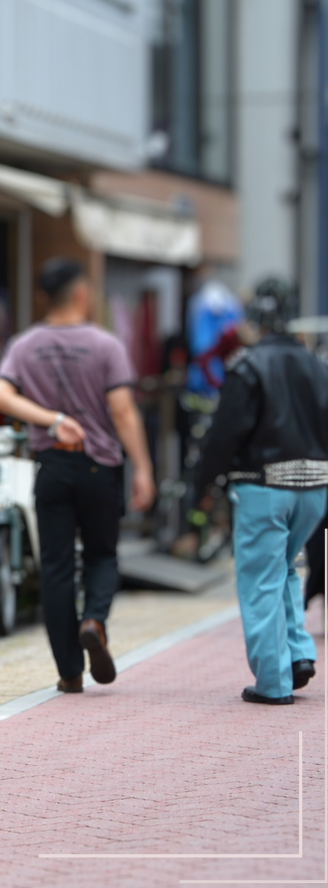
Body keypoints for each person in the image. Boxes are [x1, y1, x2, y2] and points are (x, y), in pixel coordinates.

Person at [0, 258, 155, 694]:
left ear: (45, 296)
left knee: (56, 567)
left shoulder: (25, 345)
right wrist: (143, 467)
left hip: (52, 468)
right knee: (102, 554)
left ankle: (69, 671)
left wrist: (50, 419)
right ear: (82, 293)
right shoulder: (106, 345)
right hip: (100, 466)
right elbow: (122, 410)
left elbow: (0, 394)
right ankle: (95, 622)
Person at [193, 278, 328, 704]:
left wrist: (201, 488)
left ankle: (273, 683)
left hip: (263, 486)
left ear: (255, 320)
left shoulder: (247, 366)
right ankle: (299, 654)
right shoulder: (317, 366)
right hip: (313, 489)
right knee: (286, 567)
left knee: (260, 579)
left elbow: (223, 436)